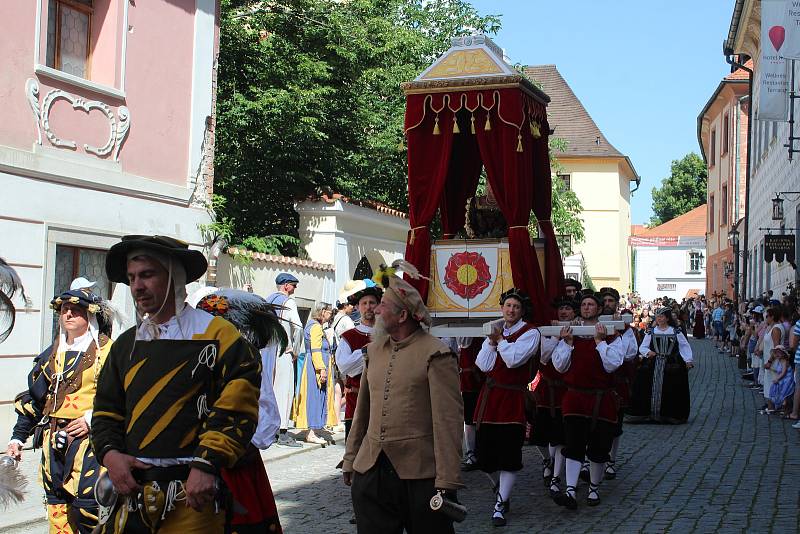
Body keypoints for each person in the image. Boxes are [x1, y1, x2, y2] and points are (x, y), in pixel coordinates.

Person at [91, 235, 262, 532]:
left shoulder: (221, 337)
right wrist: (110, 454)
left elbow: (236, 409)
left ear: (174, 276)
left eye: (147, 274)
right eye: (131, 278)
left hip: (194, 498)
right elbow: (106, 411)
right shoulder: (125, 345)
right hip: (133, 499)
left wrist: (205, 464)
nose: (137, 286)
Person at [342, 261, 463, 533]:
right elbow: (363, 411)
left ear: (402, 315)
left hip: (420, 475)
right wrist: (351, 459)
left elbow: (448, 421)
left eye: (383, 305)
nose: (375, 309)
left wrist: (447, 478)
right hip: (372, 470)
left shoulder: (436, 354)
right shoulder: (373, 351)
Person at [7, 283, 114, 533]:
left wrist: (90, 418)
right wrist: (17, 438)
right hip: (52, 440)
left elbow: (124, 397)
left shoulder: (109, 353)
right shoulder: (50, 356)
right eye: (65, 309)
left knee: (90, 509)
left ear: (89, 316)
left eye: (75, 310)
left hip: (90, 443)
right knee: (57, 507)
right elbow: (35, 400)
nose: (68, 314)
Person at [194, 288, 286, 533]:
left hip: (238, 462)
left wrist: (244, 444)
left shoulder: (245, 356)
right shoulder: (191, 355)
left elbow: (267, 409)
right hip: (194, 460)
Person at [551, 292, 625, 509]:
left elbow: (613, 364)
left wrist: (600, 342)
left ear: (599, 309)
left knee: (598, 446)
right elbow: (559, 366)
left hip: (601, 399)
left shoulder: (610, 334)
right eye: (583, 304)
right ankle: (571, 490)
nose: (586, 307)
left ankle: (593, 487)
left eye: (590, 304)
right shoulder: (570, 332)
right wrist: (567, 343)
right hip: (575, 397)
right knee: (573, 443)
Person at [474, 289, 540, 526]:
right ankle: (499, 490)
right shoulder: (497, 331)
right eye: (508, 306)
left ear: (522, 311)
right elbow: (483, 364)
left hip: (512, 399)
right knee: (484, 457)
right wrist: (491, 343)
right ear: (502, 308)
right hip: (490, 398)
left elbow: (514, 360)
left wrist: (500, 340)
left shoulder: (531, 332)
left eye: (515, 307)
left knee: (510, 454)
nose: (511, 310)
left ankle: (500, 504)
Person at [533, 297, 574, 500]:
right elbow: (543, 357)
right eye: (561, 309)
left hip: (565, 392)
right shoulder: (546, 331)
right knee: (540, 436)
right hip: (545, 391)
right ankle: (547, 460)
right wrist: (557, 336)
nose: (564, 312)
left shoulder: (579, 330)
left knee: (559, 438)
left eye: (568, 309)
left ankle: (556, 476)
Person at [598, 287, 638, 481]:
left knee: (615, 424)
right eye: (604, 301)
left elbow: (630, 354)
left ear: (616, 304)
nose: (607, 304)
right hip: (596, 381)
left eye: (610, 301)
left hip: (617, 383)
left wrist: (616, 339)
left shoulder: (625, 327)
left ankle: (611, 461)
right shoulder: (593, 324)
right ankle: (594, 460)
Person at [628, 307, 693, 424]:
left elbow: (684, 346)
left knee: (670, 388)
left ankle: (667, 414)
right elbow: (643, 347)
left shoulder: (675, 331)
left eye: (662, 316)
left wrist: (688, 360)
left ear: (667, 318)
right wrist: (648, 352)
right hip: (653, 362)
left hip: (670, 364)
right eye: (657, 317)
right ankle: (647, 413)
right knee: (646, 385)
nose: (659, 319)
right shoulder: (651, 331)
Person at [335, 281, 382, 440]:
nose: (368, 307)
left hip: (382, 404)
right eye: (364, 303)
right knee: (355, 452)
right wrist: (368, 351)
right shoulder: (349, 337)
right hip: (356, 404)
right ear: (357, 307)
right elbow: (344, 366)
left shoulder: (389, 335)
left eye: (372, 303)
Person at [266, 273, 305, 447]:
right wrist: (295, 350)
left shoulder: (267, 300)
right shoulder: (288, 302)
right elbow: (298, 327)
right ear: (287, 286)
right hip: (283, 350)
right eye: (294, 286)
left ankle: (270, 430)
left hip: (267, 351)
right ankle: (282, 432)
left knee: (269, 389)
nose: (295, 289)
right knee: (284, 391)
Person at [294, 303, 335, 445]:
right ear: (322, 312)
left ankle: (312, 431)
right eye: (329, 312)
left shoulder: (313, 325)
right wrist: (321, 369)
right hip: (314, 367)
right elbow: (316, 349)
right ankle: (311, 433)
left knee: (314, 397)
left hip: (312, 365)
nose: (331, 315)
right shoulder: (316, 327)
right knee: (315, 397)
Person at [457, 336, 484, 472]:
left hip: (484, 381)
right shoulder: (465, 337)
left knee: (482, 418)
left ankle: (480, 452)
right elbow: (463, 340)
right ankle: (471, 453)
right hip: (469, 383)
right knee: (469, 420)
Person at [759, 307, 785, 412]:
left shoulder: (776, 329)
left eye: (767, 316)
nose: (766, 318)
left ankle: (772, 406)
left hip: (773, 361)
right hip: (770, 359)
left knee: (771, 383)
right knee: (769, 382)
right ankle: (771, 406)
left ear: (772, 316)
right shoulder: (773, 327)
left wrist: (770, 361)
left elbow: (776, 348)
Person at [767, 345, 795, 414]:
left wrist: (777, 378)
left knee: (784, 392)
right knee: (777, 389)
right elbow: (779, 370)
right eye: (776, 353)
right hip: (783, 377)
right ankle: (780, 405)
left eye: (779, 353)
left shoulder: (784, 361)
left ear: (783, 354)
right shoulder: (779, 360)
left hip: (787, 379)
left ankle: (784, 406)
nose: (777, 354)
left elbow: (784, 372)